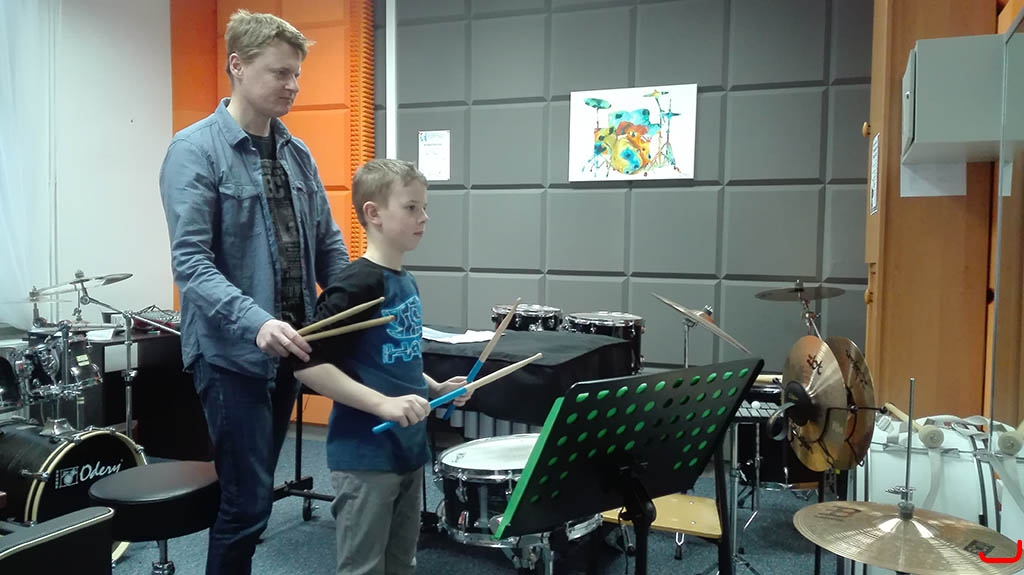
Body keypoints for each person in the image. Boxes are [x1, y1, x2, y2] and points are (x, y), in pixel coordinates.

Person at [158, 9, 349, 575]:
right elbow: (190, 264)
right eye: (280, 73)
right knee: (245, 506)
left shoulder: (297, 153)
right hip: (231, 355)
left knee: (254, 496)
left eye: (297, 75)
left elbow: (329, 245)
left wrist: (355, 297)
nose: (293, 86)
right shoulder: (194, 150)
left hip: (291, 348)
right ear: (237, 66)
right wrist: (256, 321)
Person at [293, 159, 471, 575]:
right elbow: (306, 363)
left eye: (424, 208)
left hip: (407, 450)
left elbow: (396, 357)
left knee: (401, 562)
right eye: (411, 207)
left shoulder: (405, 280)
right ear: (373, 213)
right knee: (365, 568)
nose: (424, 218)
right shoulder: (356, 284)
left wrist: (435, 387)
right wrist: (382, 405)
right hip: (364, 456)